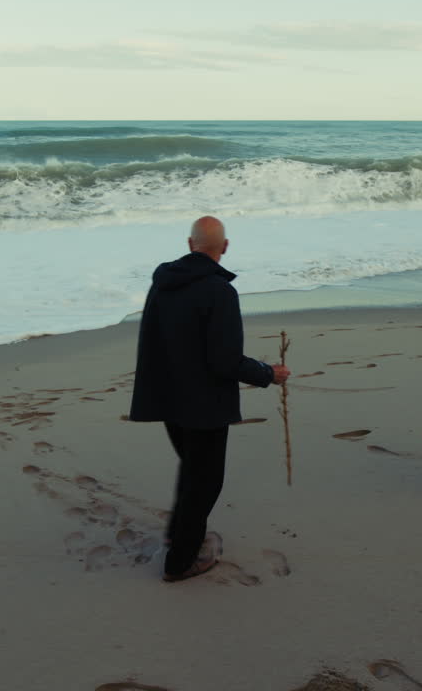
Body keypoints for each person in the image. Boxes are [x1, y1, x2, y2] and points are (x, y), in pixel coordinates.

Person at [129, 216, 290, 582]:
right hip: (203, 405)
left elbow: (153, 341)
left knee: (192, 468)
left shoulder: (163, 282)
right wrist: (269, 373)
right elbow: (225, 361)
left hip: (169, 398)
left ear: (190, 244)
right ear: (225, 247)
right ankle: (181, 562)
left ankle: (176, 533)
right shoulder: (219, 291)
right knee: (205, 482)